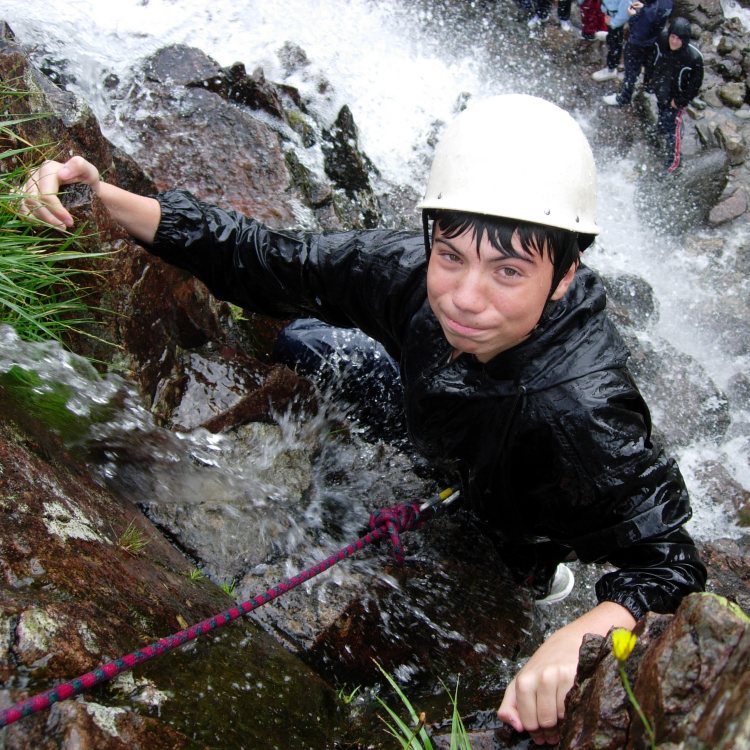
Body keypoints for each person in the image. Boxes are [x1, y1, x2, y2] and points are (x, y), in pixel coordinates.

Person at [21, 94, 706, 746]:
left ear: (563, 277)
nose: (465, 297)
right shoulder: (413, 271)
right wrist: (103, 197)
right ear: (434, 239)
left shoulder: (580, 414)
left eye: (507, 272)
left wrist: (585, 630)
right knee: (305, 342)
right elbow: (270, 260)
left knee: (491, 544)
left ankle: (531, 573)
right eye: (452, 257)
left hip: (518, 491)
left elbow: (669, 563)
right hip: (436, 417)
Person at [643, 16, 704, 172]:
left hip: (676, 98)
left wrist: (680, 101)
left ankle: (674, 163)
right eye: (673, 37)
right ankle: (661, 127)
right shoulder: (661, 41)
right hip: (661, 91)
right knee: (663, 114)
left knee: (673, 129)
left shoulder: (693, 58)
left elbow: (694, 86)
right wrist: (649, 81)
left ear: (685, 40)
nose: (674, 41)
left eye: (679, 39)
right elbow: (651, 60)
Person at [602, 0, 672, 106]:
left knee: (631, 70)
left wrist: (634, 15)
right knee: (650, 64)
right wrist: (644, 8)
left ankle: (624, 97)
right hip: (654, 39)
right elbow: (656, 15)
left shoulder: (650, 11)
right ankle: (648, 89)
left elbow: (638, 30)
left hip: (638, 43)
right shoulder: (667, 2)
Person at [590, 0, 629, 81]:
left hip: (617, 17)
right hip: (612, 13)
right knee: (614, 34)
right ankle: (611, 36)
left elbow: (624, 13)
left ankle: (611, 68)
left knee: (615, 43)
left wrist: (613, 23)